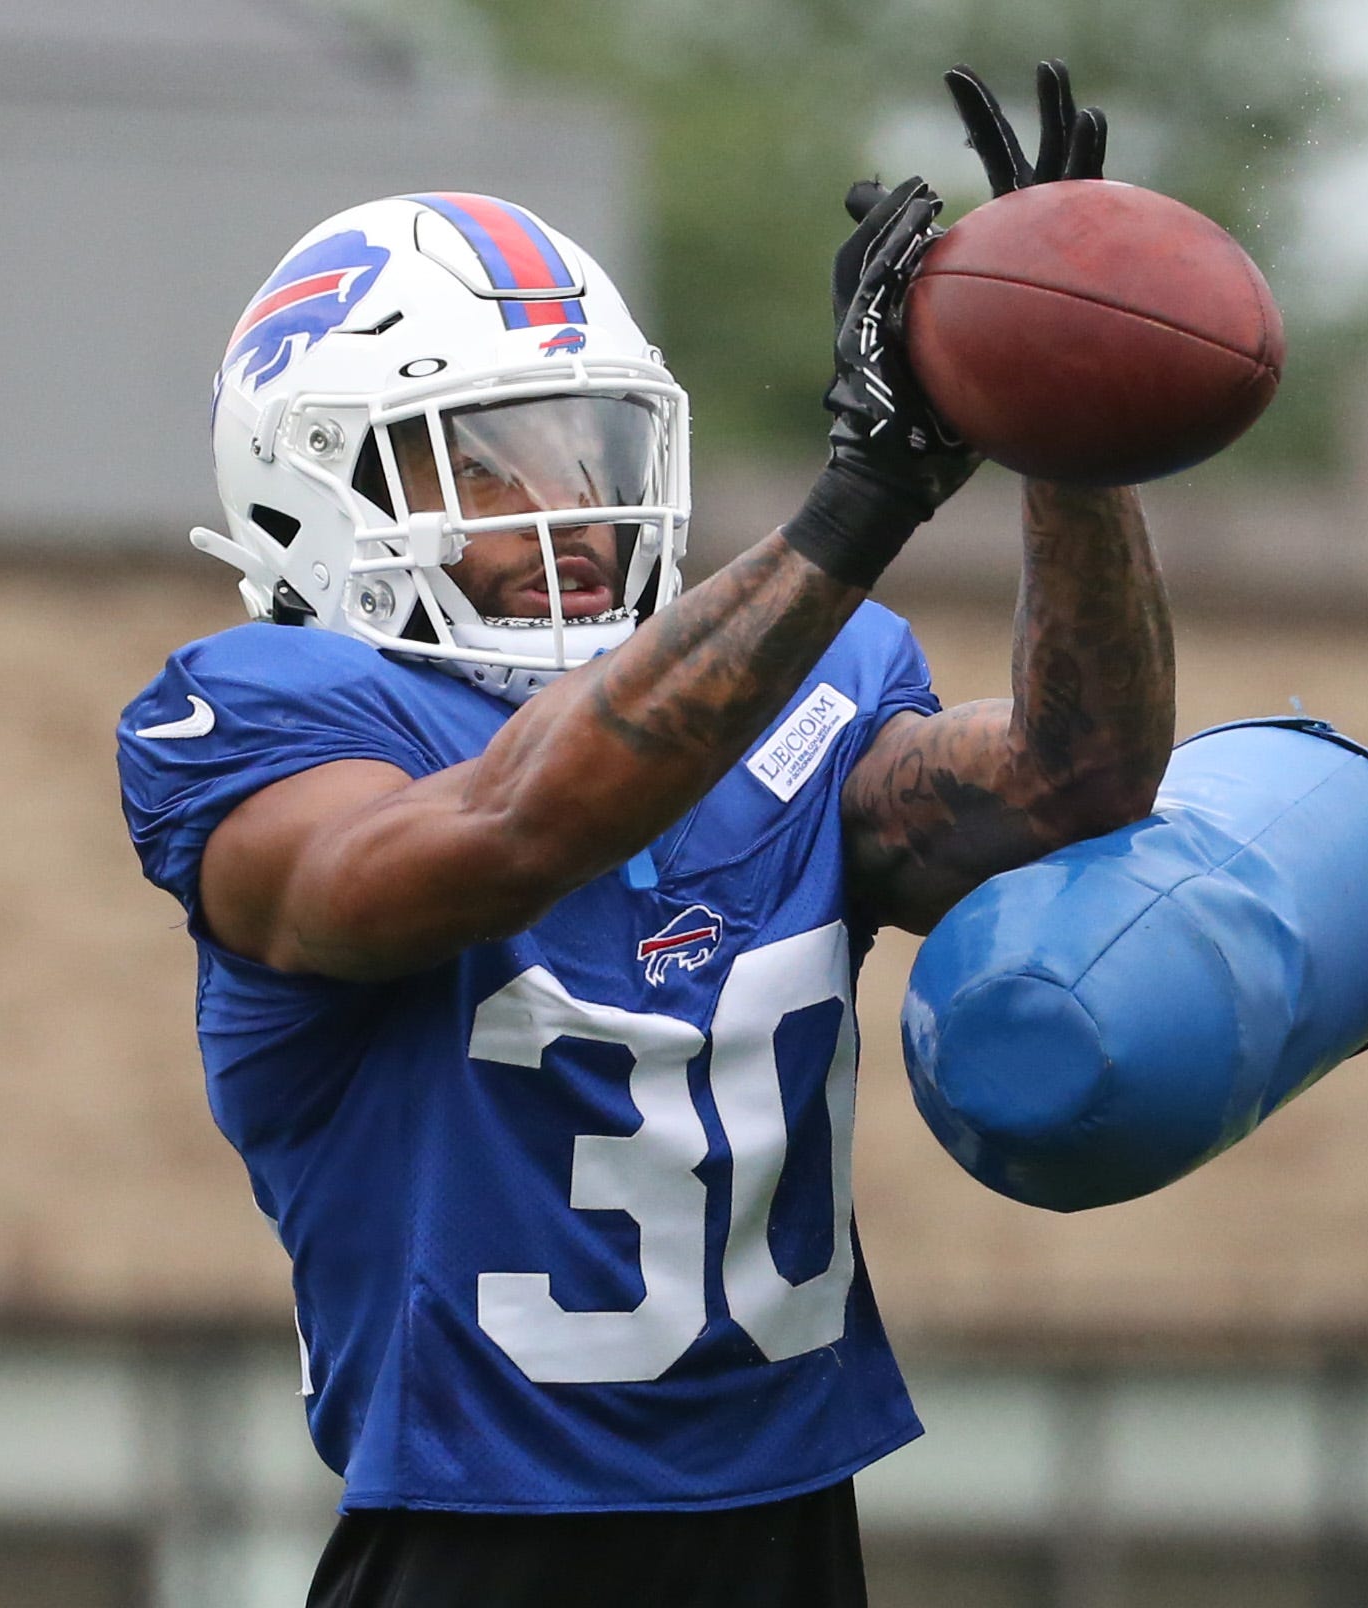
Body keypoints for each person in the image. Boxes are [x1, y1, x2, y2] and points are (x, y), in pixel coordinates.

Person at [117, 63, 1151, 1608]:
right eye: (478, 459)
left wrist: (1063, 414)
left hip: (793, 1524)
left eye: (580, 451)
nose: (570, 512)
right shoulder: (266, 718)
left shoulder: (806, 685)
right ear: (307, 486)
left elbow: (1076, 782)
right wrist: (864, 496)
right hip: (476, 1543)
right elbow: (504, 836)